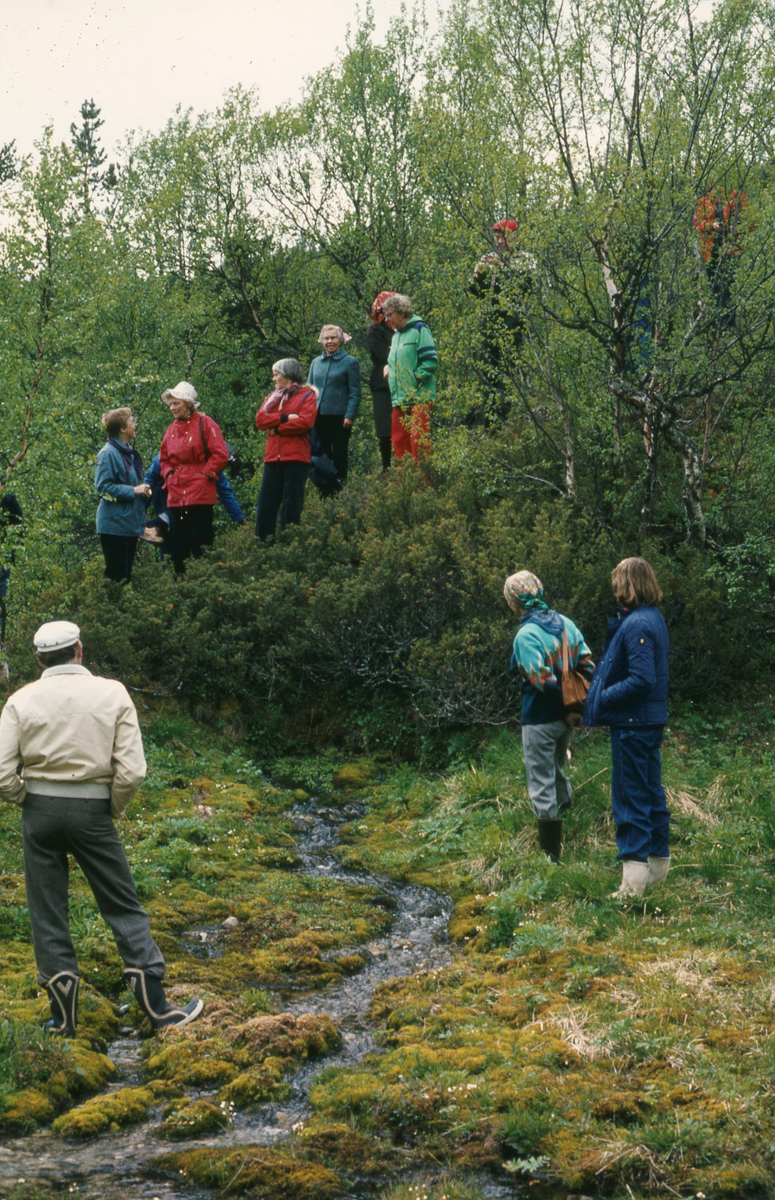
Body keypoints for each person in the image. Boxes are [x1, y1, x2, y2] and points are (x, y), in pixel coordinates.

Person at [0, 620, 203, 1035]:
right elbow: (132, 771)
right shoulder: (113, 694)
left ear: (39, 658)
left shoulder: (20, 701)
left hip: (39, 811)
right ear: (79, 649)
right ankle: (159, 1008)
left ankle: (62, 1019)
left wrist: (29, 800)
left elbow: (2, 773)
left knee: (47, 912)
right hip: (93, 811)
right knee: (122, 904)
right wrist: (110, 807)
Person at [583, 557, 670, 898]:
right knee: (651, 794)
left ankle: (632, 887)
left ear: (627, 584)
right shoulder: (653, 619)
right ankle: (656, 875)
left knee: (631, 797)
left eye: (617, 581)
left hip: (633, 724)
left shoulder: (636, 624)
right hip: (649, 721)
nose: (614, 588)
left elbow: (642, 680)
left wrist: (602, 697)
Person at [504, 570, 595, 862]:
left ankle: (550, 857)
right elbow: (587, 666)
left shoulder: (526, 635)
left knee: (540, 778)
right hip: (565, 721)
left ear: (514, 602)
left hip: (540, 719)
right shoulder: (566, 624)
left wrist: (565, 708)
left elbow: (543, 683)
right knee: (556, 768)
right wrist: (574, 711)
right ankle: (571, 823)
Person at [158, 381, 230, 573]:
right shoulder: (170, 430)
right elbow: (163, 460)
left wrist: (204, 475)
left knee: (201, 543)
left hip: (200, 493)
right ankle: (181, 590)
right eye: (170, 404)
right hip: (175, 495)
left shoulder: (206, 423)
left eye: (176, 403)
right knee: (178, 547)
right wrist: (169, 475)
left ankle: (205, 585)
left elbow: (221, 455)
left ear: (189, 403)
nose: (172, 408)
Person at [469, 219, 535, 406]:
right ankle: (489, 415)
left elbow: (526, 287)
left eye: (503, 237)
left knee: (510, 367)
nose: (499, 241)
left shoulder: (525, 259)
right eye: (497, 237)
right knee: (488, 365)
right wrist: (478, 276)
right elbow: (474, 292)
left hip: (513, 322)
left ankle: (510, 413)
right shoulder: (487, 258)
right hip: (490, 321)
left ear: (514, 237)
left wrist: (503, 268)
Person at [255, 359, 317, 541]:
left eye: (276, 374)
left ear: (288, 375)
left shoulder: (308, 395)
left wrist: (277, 429)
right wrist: (285, 418)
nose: (273, 379)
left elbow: (305, 422)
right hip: (272, 457)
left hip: (297, 458)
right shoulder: (272, 397)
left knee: (292, 506)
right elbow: (260, 421)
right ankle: (263, 548)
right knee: (266, 506)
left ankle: (289, 549)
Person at [94, 408, 151, 584]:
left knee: (125, 578)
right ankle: (109, 610)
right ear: (122, 429)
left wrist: (144, 491)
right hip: (113, 526)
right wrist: (134, 491)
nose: (135, 424)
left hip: (128, 523)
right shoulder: (107, 453)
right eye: (132, 421)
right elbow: (103, 488)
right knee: (116, 578)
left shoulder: (127, 452)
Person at [143, 452, 245, 546]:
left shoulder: (211, 461)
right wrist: (141, 511)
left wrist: (239, 520)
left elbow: (224, 491)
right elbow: (149, 482)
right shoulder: (168, 452)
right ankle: (152, 528)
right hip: (162, 491)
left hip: (186, 494)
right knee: (169, 530)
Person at [383, 294, 437, 463]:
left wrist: (414, 379)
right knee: (399, 443)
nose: (387, 319)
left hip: (419, 397)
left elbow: (430, 362)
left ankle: (423, 485)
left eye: (389, 314)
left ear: (401, 312)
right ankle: (404, 486)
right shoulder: (396, 335)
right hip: (399, 398)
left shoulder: (420, 329)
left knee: (418, 444)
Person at [306, 326, 361, 489]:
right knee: (319, 456)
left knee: (339, 457)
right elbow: (308, 391)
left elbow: (355, 392)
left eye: (333, 338)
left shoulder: (350, 362)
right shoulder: (316, 362)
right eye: (326, 338)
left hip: (340, 418)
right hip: (318, 417)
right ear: (321, 341)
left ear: (340, 340)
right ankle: (325, 493)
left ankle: (340, 494)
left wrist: (350, 415)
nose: (330, 341)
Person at [694, 189, 749, 330]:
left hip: (729, 251)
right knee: (714, 289)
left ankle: (728, 329)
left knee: (728, 288)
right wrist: (711, 226)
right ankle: (715, 327)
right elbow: (697, 224)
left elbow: (750, 222)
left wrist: (735, 227)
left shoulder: (737, 196)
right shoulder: (705, 199)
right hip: (711, 252)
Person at [365, 292, 396, 472]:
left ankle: (402, 465)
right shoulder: (375, 329)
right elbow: (381, 353)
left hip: (401, 380)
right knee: (384, 429)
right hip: (381, 384)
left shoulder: (402, 328)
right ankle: (387, 468)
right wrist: (397, 350)